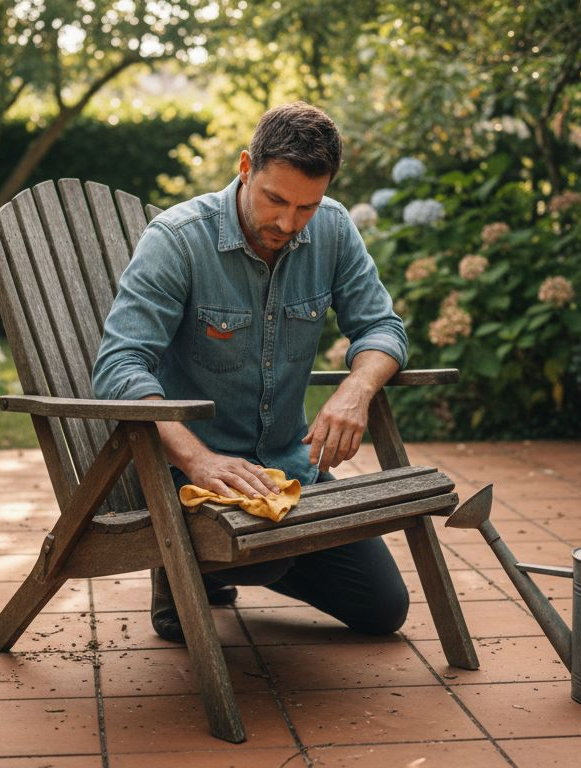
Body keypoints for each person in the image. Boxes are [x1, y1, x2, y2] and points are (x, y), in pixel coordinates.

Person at [91, 101, 411, 642]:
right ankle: (183, 569)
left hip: (289, 471)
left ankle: (233, 565)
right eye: (275, 200)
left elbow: (382, 327)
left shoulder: (332, 229)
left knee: (383, 610)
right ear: (246, 167)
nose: (288, 223)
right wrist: (199, 459)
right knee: (257, 558)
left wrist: (357, 388)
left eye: (306, 206)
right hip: (189, 477)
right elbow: (119, 366)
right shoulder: (177, 241)